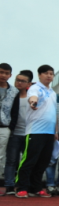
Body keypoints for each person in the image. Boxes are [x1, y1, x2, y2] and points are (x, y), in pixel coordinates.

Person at [14, 65, 57, 199]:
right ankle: (21, 187)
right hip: (35, 131)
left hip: (50, 132)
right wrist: (33, 103)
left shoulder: (54, 93)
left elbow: (54, 113)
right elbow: (33, 97)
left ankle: (36, 187)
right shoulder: (35, 88)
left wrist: (56, 131)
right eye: (46, 73)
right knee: (29, 160)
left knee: (43, 162)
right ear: (39, 75)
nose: (49, 76)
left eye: (51, 73)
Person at [0, 63, 18, 191]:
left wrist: (11, 127)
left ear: (10, 75)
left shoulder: (14, 91)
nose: (3, 75)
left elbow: (15, 111)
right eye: (1, 72)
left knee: (1, 157)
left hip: (4, 127)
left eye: (6, 73)